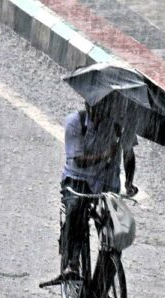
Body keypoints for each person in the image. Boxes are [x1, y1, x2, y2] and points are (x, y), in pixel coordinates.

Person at [59, 100, 123, 280]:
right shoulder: (75, 122)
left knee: (115, 235)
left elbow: (125, 155)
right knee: (77, 209)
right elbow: (78, 160)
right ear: (88, 106)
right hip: (77, 178)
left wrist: (129, 183)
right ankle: (72, 262)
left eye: (103, 108)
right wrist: (105, 155)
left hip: (102, 182)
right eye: (95, 108)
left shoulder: (114, 126)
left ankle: (101, 290)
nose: (99, 113)